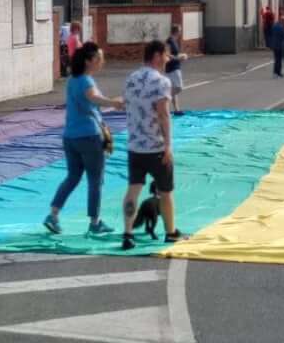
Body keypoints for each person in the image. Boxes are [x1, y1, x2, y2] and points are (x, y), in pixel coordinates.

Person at [44, 42, 123, 236]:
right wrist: (113, 103)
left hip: (70, 136)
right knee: (95, 180)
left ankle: (53, 214)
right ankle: (95, 222)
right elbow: (93, 97)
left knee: (72, 176)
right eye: (99, 58)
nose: (101, 62)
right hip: (89, 136)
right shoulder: (86, 81)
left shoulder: (73, 79)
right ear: (89, 61)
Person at [120, 40, 184, 250]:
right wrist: (168, 145)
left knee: (133, 190)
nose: (167, 59)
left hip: (135, 146)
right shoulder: (162, 82)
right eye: (165, 55)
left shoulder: (130, 79)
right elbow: (163, 114)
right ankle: (170, 232)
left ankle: (128, 233)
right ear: (157, 56)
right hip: (155, 146)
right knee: (165, 191)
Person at [165, 24, 192, 116]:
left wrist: (181, 55)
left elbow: (174, 54)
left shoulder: (174, 41)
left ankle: (177, 109)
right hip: (172, 67)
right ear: (176, 31)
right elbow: (167, 54)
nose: (181, 32)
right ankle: (164, 99)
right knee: (179, 88)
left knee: (173, 88)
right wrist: (178, 58)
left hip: (175, 66)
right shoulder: (169, 41)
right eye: (180, 31)